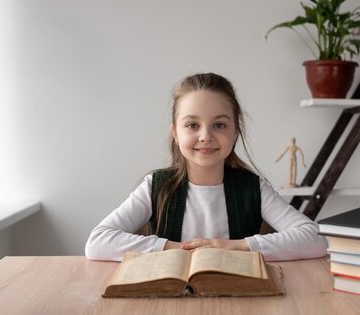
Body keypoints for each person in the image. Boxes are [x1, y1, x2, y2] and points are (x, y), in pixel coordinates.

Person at [85, 73, 328, 262]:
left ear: (235, 133)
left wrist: (239, 246)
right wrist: (176, 249)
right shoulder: (155, 187)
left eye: (219, 125)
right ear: (175, 134)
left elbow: (315, 238)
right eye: (192, 125)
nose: (205, 136)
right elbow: (97, 242)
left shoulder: (253, 188)